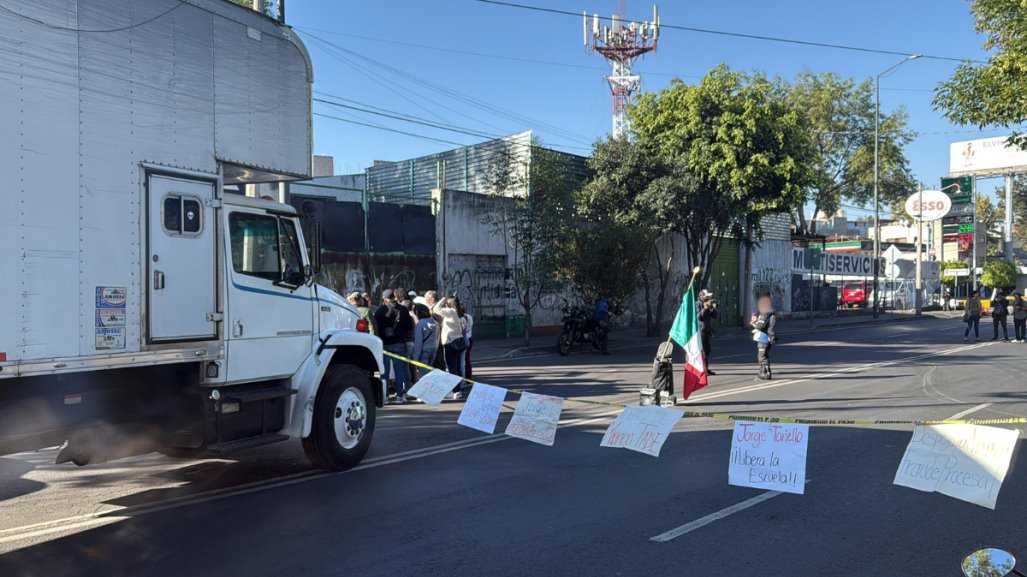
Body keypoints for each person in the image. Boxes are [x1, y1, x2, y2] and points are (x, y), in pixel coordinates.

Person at [373, 289, 410, 404]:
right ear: (395, 297)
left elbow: (376, 328)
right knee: (399, 370)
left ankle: (385, 396)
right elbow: (409, 327)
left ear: (385, 299)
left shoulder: (380, 311)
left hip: (385, 345)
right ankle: (399, 396)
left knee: (385, 372)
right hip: (399, 343)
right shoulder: (404, 310)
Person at [433, 296, 468, 399]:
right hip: (459, 342)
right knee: (457, 367)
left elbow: (436, 309)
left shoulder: (450, 312)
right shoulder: (461, 314)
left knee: (451, 367)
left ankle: (455, 391)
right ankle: (459, 389)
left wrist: (442, 301)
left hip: (450, 343)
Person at [750, 293, 777, 381]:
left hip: (763, 337)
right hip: (768, 337)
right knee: (764, 355)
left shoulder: (765, 313)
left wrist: (754, 323)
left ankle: (765, 373)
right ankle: (764, 372)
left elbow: (761, 326)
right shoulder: (771, 312)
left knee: (762, 356)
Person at [411, 303, 440, 381]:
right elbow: (437, 339)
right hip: (433, 350)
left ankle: (426, 392)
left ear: (417, 313)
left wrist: (415, 359)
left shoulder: (420, 324)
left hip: (423, 352)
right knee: (429, 373)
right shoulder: (436, 323)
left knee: (424, 376)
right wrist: (435, 350)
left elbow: (418, 343)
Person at [697, 290, 718, 375]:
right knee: (702, 351)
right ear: (702, 297)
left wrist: (712, 308)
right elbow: (699, 317)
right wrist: (705, 308)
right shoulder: (697, 304)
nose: (709, 298)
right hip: (700, 330)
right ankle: (702, 369)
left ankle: (706, 368)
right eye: (707, 297)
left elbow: (715, 316)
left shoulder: (708, 304)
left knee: (707, 350)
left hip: (706, 330)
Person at [460, 303, 474, 379]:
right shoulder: (469, 317)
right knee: (467, 360)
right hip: (469, 339)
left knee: (461, 361)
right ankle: (468, 378)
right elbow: (470, 326)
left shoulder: (460, 318)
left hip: (462, 340)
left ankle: (463, 378)